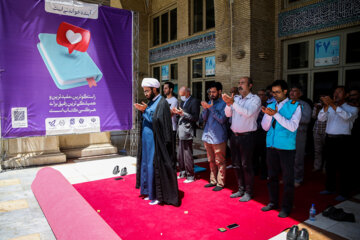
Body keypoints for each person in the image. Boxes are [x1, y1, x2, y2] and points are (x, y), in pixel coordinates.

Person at [134, 78, 180, 206]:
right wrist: (145, 110)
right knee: (146, 164)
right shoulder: (151, 102)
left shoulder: (162, 102)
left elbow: (159, 121)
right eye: (144, 91)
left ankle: (156, 195)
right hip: (147, 141)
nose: (146, 94)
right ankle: (148, 191)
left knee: (153, 166)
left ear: (155, 89)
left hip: (156, 141)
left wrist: (145, 111)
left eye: (147, 91)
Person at [261, 80, 302, 218]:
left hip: (286, 147)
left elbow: (292, 126)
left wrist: (275, 115)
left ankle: (286, 207)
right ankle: (273, 202)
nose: (275, 95)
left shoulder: (295, 106)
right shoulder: (271, 104)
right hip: (271, 145)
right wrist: (267, 115)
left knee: (287, 178)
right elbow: (265, 127)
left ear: (285, 91)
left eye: (278, 92)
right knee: (271, 176)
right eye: (273, 92)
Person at [222, 77, 261, 202]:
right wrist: (228, 104)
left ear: (250, 85)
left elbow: (248, 113)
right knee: (236, 164)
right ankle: (241, 189)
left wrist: (233, 103)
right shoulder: (237, 99)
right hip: (235, 136)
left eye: (243, 83)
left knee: (246, 165)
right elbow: (228, 114)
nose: (240, 85)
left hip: (248, 137)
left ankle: (249, 192)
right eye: (239, 83)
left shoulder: (255, 99)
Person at [318, 86, 358, 201]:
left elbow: (346, 117)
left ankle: (344, 192)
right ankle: (330, 188)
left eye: (339, 92)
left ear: (346, 95)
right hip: (329, 139)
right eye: (335, 92)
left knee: (344, 167)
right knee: (330, 165)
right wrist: (326, 106)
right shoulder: (330, 107)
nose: (336, 94)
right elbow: (321, 118)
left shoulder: (352, 108)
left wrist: (333, 105)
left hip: (343, 140)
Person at [201, 82, 228, 191]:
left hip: (218, 136)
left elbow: (222, 119)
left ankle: (220, 183)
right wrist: (205, 108)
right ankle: (213, 181)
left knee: (220, 161)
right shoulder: (209, 102)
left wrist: (211, 108)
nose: (211, 94)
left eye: (214, 92)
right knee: (211, 160)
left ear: (220, 92)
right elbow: (204, 118)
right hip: (207, 135)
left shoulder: (224, 104)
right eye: (210, 92)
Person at [172, 86, 200, 183]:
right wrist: (177, 113)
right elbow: (181, 114)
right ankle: (182, 172)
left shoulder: (194, 101)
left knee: (187, 154)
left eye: (183, 95)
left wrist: (183, 114)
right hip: (181, 131)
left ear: (188, 93)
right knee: (180, 155)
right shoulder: (183, 102)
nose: (181, 97)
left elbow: (195, 118)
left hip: (188, 131)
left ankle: (190, 175)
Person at [289, 86, 311, 187]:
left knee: (298, 157)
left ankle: (298, 178)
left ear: (300, 94)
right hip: (287, 134)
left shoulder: (305, 105)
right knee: (287, 157)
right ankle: (288, 178)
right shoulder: (286, 103)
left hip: (299, 134)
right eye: (291, 91)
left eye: (295, 91)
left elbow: (306, 119)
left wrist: (292, 119)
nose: (292, 93)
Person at [253, 89, 268, 179]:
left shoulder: (268, 106)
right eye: (259, 95)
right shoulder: (254, 106)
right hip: (254, 132)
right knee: (254, 153)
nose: (260, 97)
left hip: (264, 133)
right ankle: (254, 170)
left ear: (266, 97)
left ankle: (264, 173)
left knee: (264, 154)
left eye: (262, 95)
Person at [312, 95, 327, 172]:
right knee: (317, 150)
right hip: (317, 130)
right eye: (321, 100)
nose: (321, 101)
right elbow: (314, 117)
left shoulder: (330, 107)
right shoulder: (317, 106)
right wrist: (317, 109)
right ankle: (317, 166)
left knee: (327, 151)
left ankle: (325, 168)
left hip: (327, 131)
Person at [163, 82, 179, 148]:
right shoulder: (164, 100)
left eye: (166, 88)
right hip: (164, 127)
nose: (164, 90)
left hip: (172, 128)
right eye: (164, 88)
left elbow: (170, 114)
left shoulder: (174, 100)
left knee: (171, 148)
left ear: (171, 89)